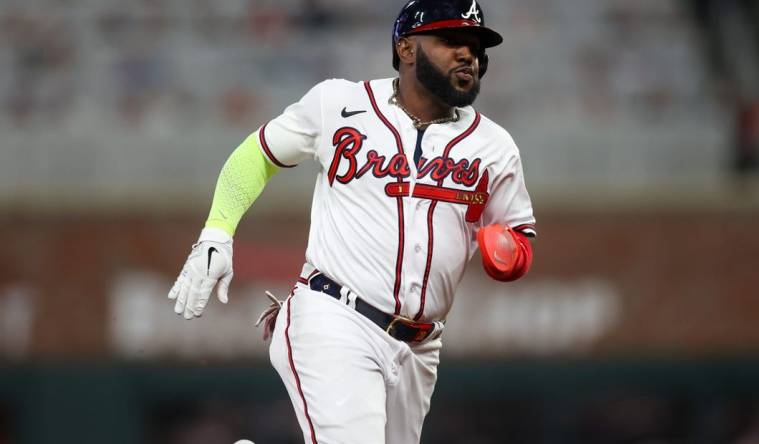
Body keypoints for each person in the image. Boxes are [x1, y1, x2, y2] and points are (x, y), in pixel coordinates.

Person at [167, 0, 537, 442]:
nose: (467, 55)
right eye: (451, 40)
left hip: (420, 347)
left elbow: (517, 236)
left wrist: (513, 253)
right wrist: (217, 232)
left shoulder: (495, 146)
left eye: (475, 46)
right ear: (406, 48)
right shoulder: (339, 103)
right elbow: (257, 154)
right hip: (335, 315)